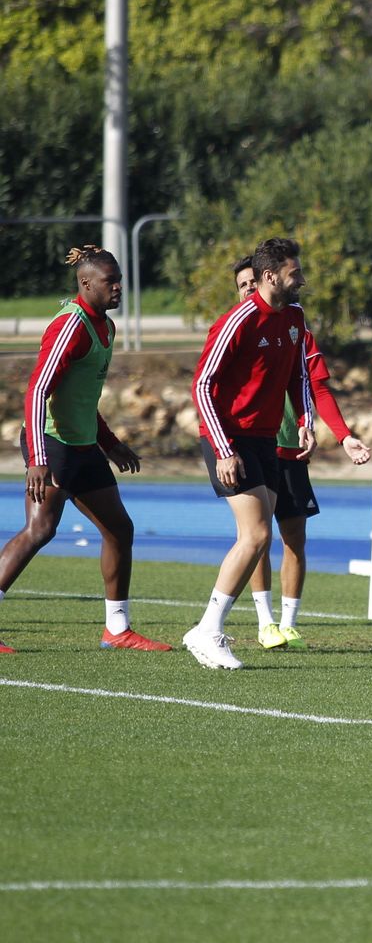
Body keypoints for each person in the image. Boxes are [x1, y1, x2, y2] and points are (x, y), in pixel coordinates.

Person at [0, 245, 170, 653]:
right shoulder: (71, 327)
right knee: (41, 529)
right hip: (53, 444)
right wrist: (39, 459)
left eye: (119, 280)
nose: (119, 287)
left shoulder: (105, 327)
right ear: (86, 284)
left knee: (119, 529)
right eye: (111, 281)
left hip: (82, 444)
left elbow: (81, 399)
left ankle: (117, 629)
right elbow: (38, 391)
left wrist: (109, 444)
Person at [182, 237, 316, 670]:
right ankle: (208, 630)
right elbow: (202, 385)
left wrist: (304, 421)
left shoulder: (294, 317)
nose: (302, 279)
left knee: (259, 535)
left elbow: (298, 374)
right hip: (228, 437)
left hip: (263, 440)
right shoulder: (237, 321)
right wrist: (222, 449)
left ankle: (209, 629)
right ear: (271, 276)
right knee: (256, 534)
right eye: (295, 272)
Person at [232, 257, 372, 651]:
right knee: (255, 537)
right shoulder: (237, 329)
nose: (246, 290)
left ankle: (289, 623)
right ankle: (264, 622)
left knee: (294, 536)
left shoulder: (295, 327)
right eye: (241, 285)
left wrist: (343, 436)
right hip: (252, 446)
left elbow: (319, 389)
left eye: (250, 283)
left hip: (290, 448)